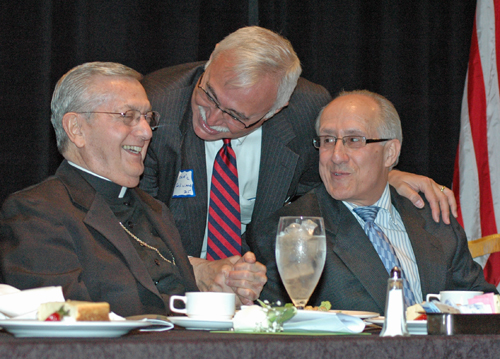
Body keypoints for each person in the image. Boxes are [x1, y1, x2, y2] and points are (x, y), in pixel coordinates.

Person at [141, 26, 458, 285]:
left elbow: (323, 181)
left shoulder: (305, 110)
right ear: (210, 62)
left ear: (275, 110)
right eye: (208, 95)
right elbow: (134, 225)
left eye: (235, 116)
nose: (211, 117)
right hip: (173, 282)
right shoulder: (154, 108)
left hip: (264, 285)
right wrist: (199, 271)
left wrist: (386, 175)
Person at [0, 62, 266, 317]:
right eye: (127, 116)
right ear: (76, 128)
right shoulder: (37, 211)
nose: (146, 132)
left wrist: (223, 295)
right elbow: (57, 315)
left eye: (147, 117)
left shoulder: (155, 209)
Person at [246, 90, 497, 315]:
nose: (336, 156)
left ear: (390, 153)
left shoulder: (434, 221)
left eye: (353, 140)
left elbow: (483, 307)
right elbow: (279, 328)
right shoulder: (289, 231)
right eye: (327, 140)